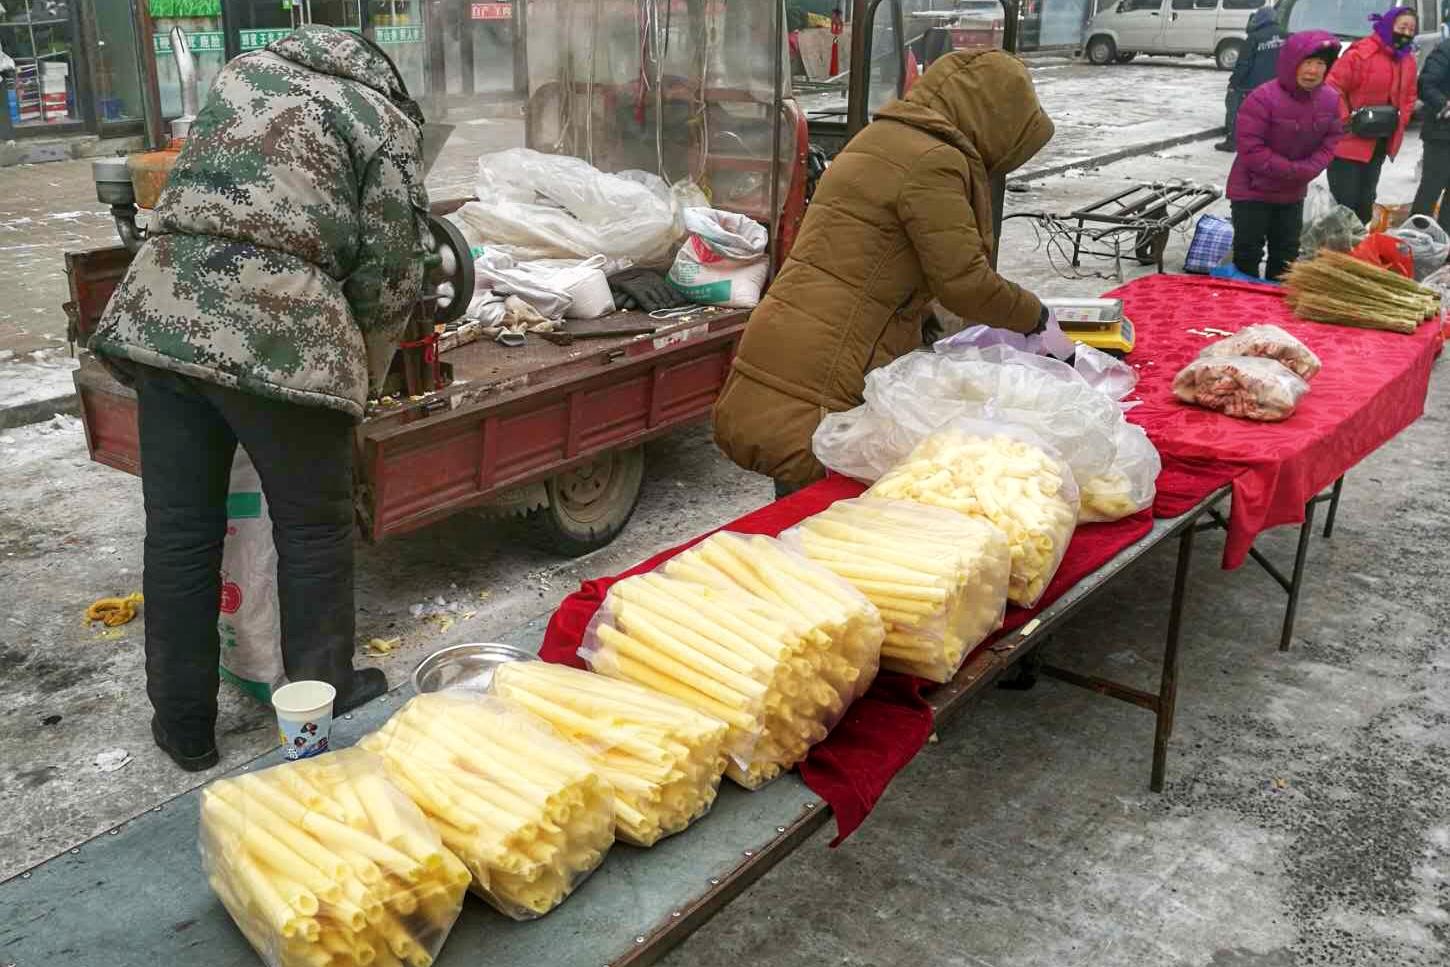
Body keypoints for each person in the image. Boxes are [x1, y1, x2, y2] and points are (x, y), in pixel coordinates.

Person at [89, 25, 432, 771]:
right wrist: (358, 378)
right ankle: (323, 695)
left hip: (164, 312)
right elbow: (395, 269)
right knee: (313, 529)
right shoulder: (384, 120)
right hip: (283, 331)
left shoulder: (243, 73)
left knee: (179, 532)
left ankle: (183, 726)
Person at [712, 49, 1054, 496]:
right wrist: (1036, 317)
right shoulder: (935, 161)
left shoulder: (881, 138)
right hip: (827, 367)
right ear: (993, 119)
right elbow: (965, 283)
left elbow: (878, 253)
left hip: (790, 339)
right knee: (820, 516)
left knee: (799, 509)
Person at [1227, 31, 1343, 281]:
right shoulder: (1262, 97)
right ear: (1292, 63)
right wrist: (1292, 170)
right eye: (1307, 62)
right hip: (1252, 190)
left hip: (1291, 193)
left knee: (1286, 256)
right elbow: (1250, 147)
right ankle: (1242, 309)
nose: (1313, 70)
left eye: (1320, 64)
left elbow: (1331, 141)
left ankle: (1273, 312)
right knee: (1248, 253)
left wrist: (1308, 169)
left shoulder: (1331, 100)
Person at [1326, 7, 1419, 224]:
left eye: (1411, 29)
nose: (1406, 33)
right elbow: (1332, 87)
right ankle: (1338, 250)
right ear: (1388, 26)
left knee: (1366, 202)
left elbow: (1410, 95)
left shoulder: (1408, 60)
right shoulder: (1361, 53)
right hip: (1348, 141)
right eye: (1402, 27)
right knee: (1345, 203)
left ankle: (1358, 251)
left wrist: (1400, 120)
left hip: (1379, 141)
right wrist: (1345, 119)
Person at [1216, 6, 1287, 153]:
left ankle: (1232, 141)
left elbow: (1243, 64)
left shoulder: (1254, 38)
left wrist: (1233, 83)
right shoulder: (1285, 35)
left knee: (1235, 110)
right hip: (1275, 84)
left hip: (1250, 85)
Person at [1412, 34, 1450, 230]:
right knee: (1431, 190)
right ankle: (1415, 240)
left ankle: (1444, 244)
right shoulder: (1445, 49)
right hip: (1442, 134)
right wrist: (1444, 105)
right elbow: (1426, 84)